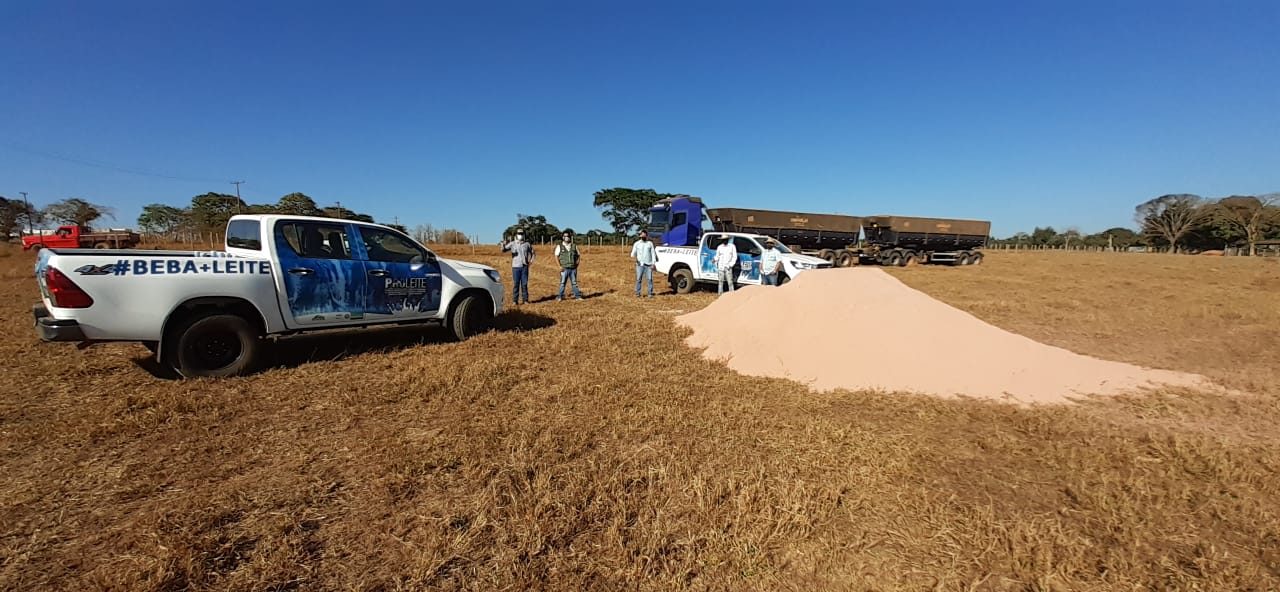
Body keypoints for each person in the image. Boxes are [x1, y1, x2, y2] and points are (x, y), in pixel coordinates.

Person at [501, 232, 534, 305]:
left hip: (524, 267)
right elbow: (503, 250)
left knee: (524, 284)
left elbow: (532, 253)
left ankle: (525, 300)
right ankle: (515, 300)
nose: (520, 235)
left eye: (522, 234)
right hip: (515, 267)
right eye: (519, 234)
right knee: (516, 284)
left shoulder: (527, 244)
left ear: (524, 235)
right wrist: (503, 244)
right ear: (516, 235)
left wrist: (531, 261)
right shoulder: (512, 243)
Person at [554, 231, 583, 301]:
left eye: (568, 236)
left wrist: (577, 264)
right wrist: (559, 266)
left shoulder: (574, 246)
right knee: (562, 283)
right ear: (563, 237)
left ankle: (578, 296)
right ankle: (560, 296)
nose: (567, 237)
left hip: (573, 268)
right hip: (564, 268)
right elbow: (556, 257)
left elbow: (578, 256)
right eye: (565, 236)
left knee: (574, 283)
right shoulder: (559, 246)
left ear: (570, 237)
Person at [631, 230, 657, 297]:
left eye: (645, 234)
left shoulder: (650, 243)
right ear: (640, 236)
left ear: (647, 235)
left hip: (648, 264)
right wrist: (636, 259)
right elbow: (633, 254)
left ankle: (650, 293)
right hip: (640, 265)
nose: (643, 235)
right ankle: (637, 293)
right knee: (638, 279)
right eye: (642, 234)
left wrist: (653, 263)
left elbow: (653, 253)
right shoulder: (637, 244)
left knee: (649, 279)